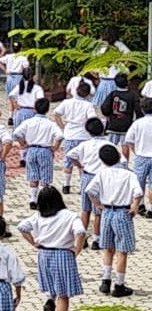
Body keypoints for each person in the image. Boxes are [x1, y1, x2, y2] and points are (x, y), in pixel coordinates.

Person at [17, 186, 86, 311]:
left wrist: (33, 242)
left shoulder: (38, 216)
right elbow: (80, 232)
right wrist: (77, 248)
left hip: (44, 254)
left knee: (50, 282)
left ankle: (49, 299)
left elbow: (21, 227)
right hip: (63, 254)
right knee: (63, 293)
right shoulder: (69, 216)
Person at [86, 145, 143, 297]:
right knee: (122, 250)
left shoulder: (102, 173)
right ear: (119, 155)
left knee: (108, 248)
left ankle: (105, 280)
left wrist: (97, 204)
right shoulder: (129, 174)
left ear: (102, 161)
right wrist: (135, 206)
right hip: (122, 212)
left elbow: (89, 190)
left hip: (107, 212)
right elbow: (138, 193)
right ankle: (119, 285)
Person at [66, 118, 118, 251]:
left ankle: (82, 238)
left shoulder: (85, 144)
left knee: (85, 209)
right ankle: (96, 239)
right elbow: (121, 160)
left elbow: (70, 155)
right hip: (102, 178)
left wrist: (79, 165)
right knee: (98, 210)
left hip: (87, 176)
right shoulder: (109, 144)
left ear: (88, 132)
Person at [12, 98, 63, 208]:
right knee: (45, 177)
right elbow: (60, 136)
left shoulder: (28, 122)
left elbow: (16, 133)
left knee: (33, 176)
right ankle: (43, 200)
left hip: (31, 150)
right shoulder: (51, 124)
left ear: (34, 108)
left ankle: (33, 200)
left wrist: (23, 143)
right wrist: (55, 147)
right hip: (45, 150)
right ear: (47, 110)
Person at [54, 82, 97, 195]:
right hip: (84, 136)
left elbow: (56, 113)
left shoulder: (67, 102)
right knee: (82, 163)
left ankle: (66, 185)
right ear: (88, 94)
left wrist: (62, 126)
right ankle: (82, 187)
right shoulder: (88, 105)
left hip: (69, 135)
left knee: (68, 160)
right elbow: (92, 119)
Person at [7, 68, 44, 162]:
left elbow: (10, 96)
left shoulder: (19, 86)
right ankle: (28, 155)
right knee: (31, 134)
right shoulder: (37, 88)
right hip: (31, 112)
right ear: (33, 76)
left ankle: (22, 156)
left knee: (20, 135)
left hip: (20, 112)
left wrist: (15, 105)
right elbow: (40, 99)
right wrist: (36, 108)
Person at [123, 97, 152, 214]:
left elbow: (129, 140)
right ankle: (151, 209)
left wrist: (135, 150)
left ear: (142, 109)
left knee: (139, 182)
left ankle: (139, 205)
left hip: (141, 156)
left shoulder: (138, 123)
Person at [92, 26, 131, 108]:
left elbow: (93, 60)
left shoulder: (100, 46)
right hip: (116, 81)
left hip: (104, 81)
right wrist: (122, 66)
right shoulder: (120, 45)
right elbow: (130, 57)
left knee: (100, 106)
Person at [101, 73, 141, 146]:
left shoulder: (112, 94)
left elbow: (105, 108)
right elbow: (138, 109)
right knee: (125, 145)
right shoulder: (132, 95)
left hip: (113, 124)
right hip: (126, 125)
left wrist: (108, 115)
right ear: (128, 82)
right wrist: (138, 120)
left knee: (111, 145)